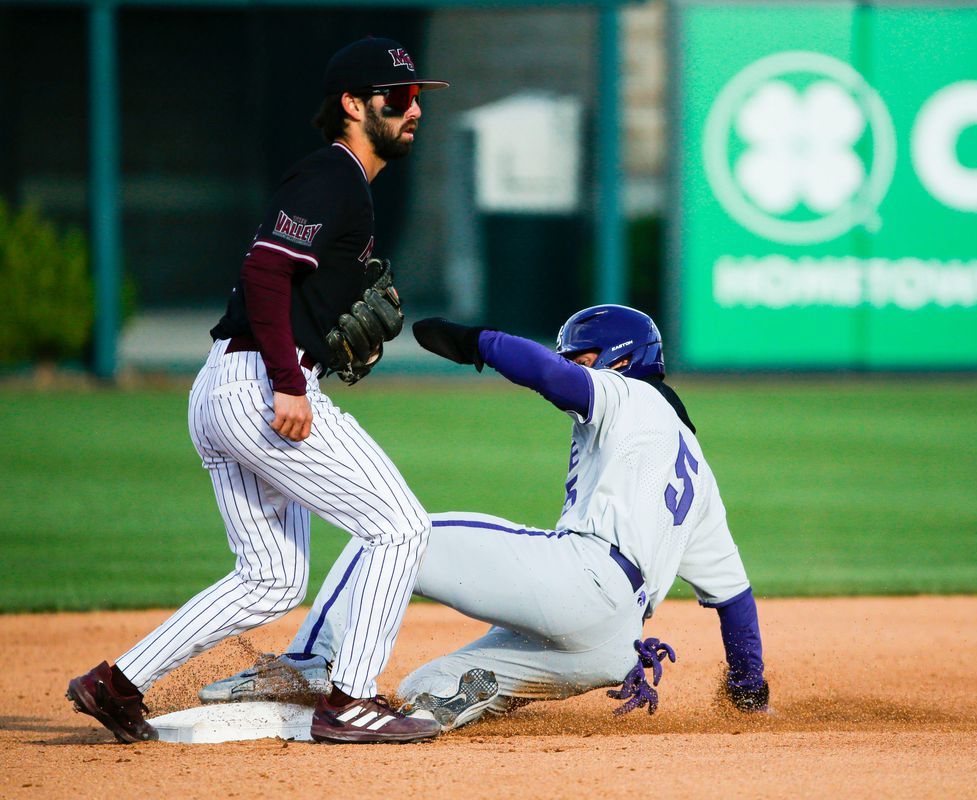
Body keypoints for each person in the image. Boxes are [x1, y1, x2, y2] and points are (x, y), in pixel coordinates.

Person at [66, 36, 452, 745]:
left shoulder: (342, 185)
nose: (412, 108)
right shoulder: (332, 175)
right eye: (396, 97)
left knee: (272, 577)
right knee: (401, 526)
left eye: (416, 96)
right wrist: (287, 382)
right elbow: (267, 273)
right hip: (259, 385)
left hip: (227, 384)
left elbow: (285, 282)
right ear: (351, 104)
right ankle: (351, 700)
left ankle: (116, 684)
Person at [200, 305, 770, 730]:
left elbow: (552, 377)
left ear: (624, 359)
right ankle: (453, 699)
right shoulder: (701, 484)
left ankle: (309, 665)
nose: (573, 363)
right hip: (612, 646)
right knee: (422, 691)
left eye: (585, 356)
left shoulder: (631, 396)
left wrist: (479, 342)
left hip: (582, 576)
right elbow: (735, 601)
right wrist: (748, 695)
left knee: (391, 535)